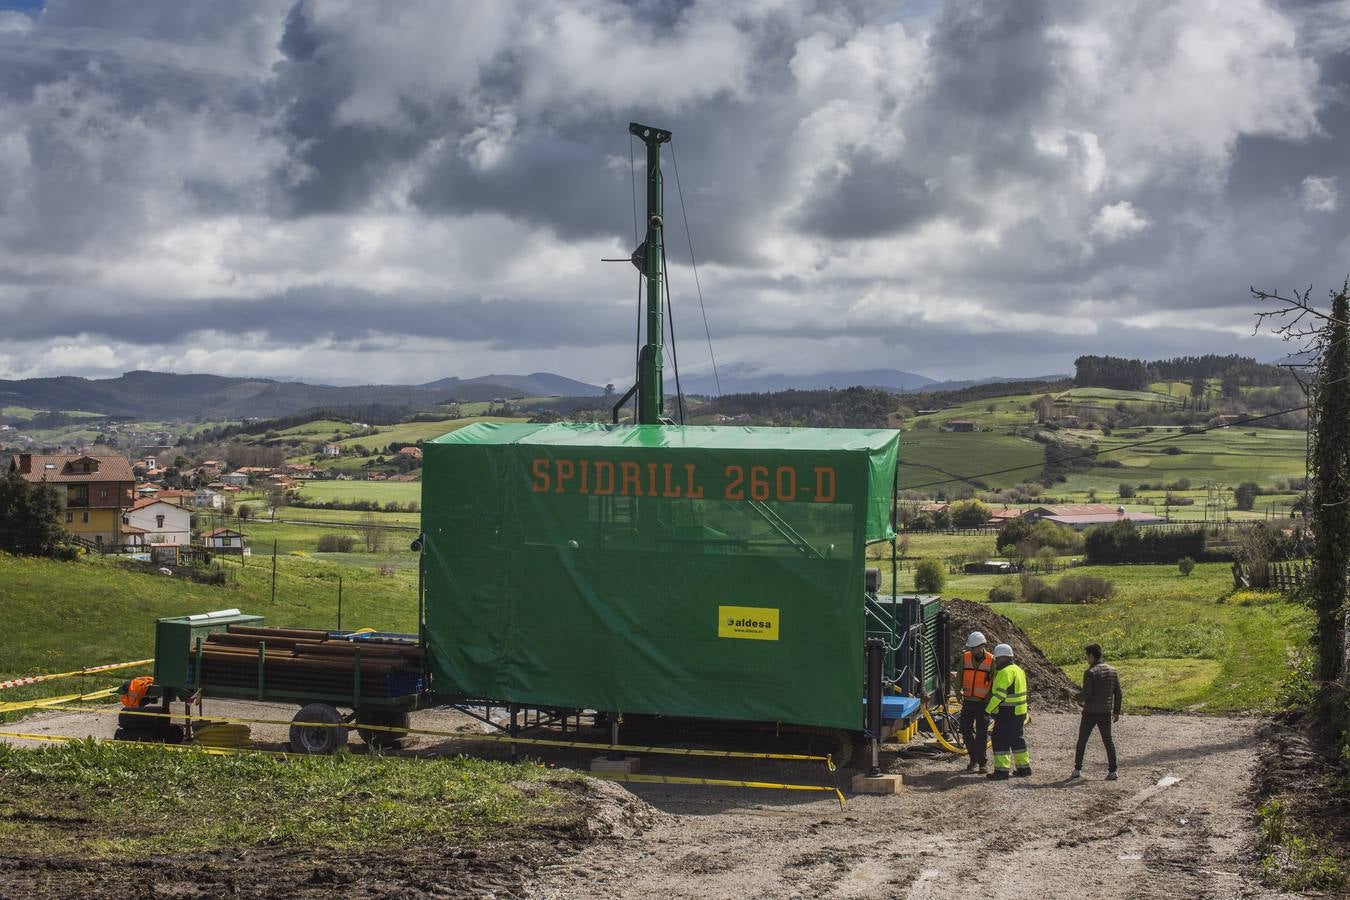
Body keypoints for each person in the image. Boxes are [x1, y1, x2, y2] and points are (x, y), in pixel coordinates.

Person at [1072, 643, 1121, 780]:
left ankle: (1077, 769)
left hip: (1090, 712)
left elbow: (1087, 694)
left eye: (1087, 656)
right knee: (1108, 741)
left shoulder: (1090, 672)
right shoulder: (1113, 670)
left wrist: (1076, 696)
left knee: (1082, 740)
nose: (1086, 659)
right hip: (1106, 711)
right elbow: (1118, 692)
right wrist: (1116, 711)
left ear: (1092, 656)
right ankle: (1113, 771)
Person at [985, 643, 1030, 780]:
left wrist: (987, 710)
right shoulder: (1018, 670)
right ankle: (1024, 768)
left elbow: (999, 695)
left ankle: (1001, 771)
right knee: (1017, 739)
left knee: (1000, 739)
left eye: (997, 659)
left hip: (1007, 712)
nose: (995, 662)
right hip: (1020, 711)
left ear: (1002, 658)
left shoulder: (1005, 672)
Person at [954, 630, 994, 773]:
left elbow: (994, 681)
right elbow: (959, 676)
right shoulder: (965, 657)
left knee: (982, 733)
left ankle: (982, 762)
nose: (972, 650)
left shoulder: (991, 660)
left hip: (983, 702)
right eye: (971, 648)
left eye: (974, 647)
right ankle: (973, 759)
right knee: (965, 730)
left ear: (982, 646)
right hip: (968, 701)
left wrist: (990, 699)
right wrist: (958, 692)